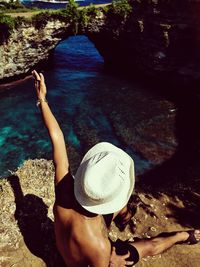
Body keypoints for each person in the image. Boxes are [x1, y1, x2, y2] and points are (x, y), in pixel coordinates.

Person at [32, 70, 200, 267]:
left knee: (123, 210)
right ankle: (181, 236)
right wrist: (113, 261)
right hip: (96, 255)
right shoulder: (101, 247)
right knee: (148, 247)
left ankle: (125, 215)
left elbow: (57, 137)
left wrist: (42, 99)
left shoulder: (64, 191)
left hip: (70, 250)